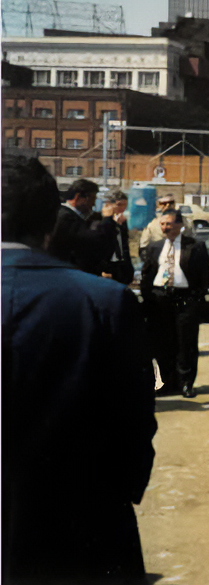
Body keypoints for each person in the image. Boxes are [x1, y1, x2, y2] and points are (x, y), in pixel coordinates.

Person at [2, 155, 157, 584]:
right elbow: (135, 420)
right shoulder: (105, 303)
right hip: (84, 524)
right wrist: (117, 493)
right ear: (51, 222)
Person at [140, 208, 209, 398]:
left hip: (185, 299)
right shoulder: (155, 246)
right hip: (160, 300)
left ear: (179, 226)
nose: (165, 228)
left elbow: (203, 276)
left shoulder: (195, 246)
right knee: (163, 343)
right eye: (162, 224)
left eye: (169, 224)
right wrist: (149, 296)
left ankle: (186, 382)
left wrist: (195, 298)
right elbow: (147, 274)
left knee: (185, 342)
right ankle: (166, 382)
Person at [48, 178, 119, 275]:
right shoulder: (66, 218)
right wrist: (107, 220)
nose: (93, 204)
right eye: (92, 199)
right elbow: (91, 242)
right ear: (78, 197)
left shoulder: (66, 215)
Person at [101, 189, 135, 284]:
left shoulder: (122, 222)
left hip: (121, 265)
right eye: (119, 205)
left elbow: (124, 245)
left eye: (125, 205)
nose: (122, 208)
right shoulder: (101, 222)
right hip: (107, 266)